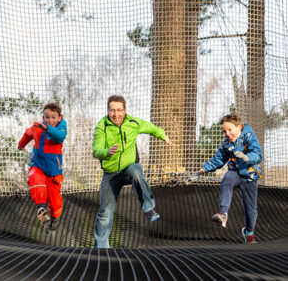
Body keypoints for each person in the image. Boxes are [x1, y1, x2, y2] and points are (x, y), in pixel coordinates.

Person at [93, 95, 172, 248]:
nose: (115, 114)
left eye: (119, 110)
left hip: (128, 168)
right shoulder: (101, 126)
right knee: (104, 215)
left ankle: (149, 209)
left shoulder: (133, 123)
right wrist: (106, 152)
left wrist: (163, 135)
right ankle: (101, 250)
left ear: (125, 110)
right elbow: (96, 150)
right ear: (108, 111)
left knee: (136, 170)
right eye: (112, 110)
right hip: (110, 175)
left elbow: (151, 128)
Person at [189, 113, 262, 244]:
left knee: (251, 211)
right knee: (228, 177)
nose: (227, 134)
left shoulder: (249, 137)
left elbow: (257, 154)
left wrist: (247, 157)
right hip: (235, 173)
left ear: (239, 128)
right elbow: (218, 160)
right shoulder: (226, 144)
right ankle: (223, 214)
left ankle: (249, 232)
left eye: (230, 130)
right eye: (225, 131)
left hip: (250, 176)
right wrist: (202, 170)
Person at [18, 102, 67, 232]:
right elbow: (28, 134)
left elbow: (60, 137)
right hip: (38, 164)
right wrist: (21, 144)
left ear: (59, 117)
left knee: (55, 200)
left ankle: (55, 218)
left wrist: (47, 128)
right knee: (35, 178)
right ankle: (41, 207)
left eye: (53, 117)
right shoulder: (37, 127)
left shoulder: (61, 127)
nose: (50, 120)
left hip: (53, 170)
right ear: (43, 117)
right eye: (47, 117)